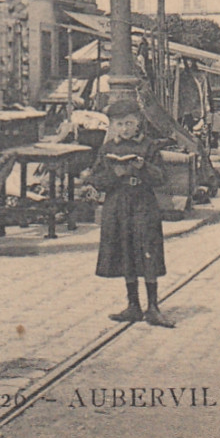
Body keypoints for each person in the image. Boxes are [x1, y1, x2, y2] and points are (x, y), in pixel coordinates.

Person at [88, 100, 174, 328]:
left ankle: (153, 307)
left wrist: (143, 167)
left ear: (138, 123)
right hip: (117, 205)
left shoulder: (149, 147)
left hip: (143, 204)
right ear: (112, 126)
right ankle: (133, 305)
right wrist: (114, 174)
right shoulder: (107, 149)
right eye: (119, 124)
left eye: (129, 123)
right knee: (124, 251)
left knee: (147, 251)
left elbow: (162, 178)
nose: (125, 129)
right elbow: (95, 179)